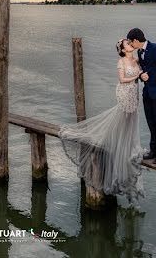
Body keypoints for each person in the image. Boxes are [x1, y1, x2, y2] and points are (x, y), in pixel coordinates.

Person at [58, 38, 145, 204]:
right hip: (124, 91)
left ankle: (128, 145)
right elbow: (122, 80)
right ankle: (115, 143)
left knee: (132, 118)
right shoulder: (121, 62)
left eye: (129, 43)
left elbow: (140, 74)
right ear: (122, 49)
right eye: (127, 44)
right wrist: (137, 75)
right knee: (122, 116)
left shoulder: (136, 60)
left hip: (134, 93)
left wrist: (141, 75)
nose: (129, 45)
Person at [126, 27, 156, 164]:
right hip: (147, 93)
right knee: (151, 122)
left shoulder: (155, 49)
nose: (130, 45)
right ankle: (154, 150)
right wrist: (141, 76)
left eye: (130, 42)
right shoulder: (140, 52)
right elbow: (144, 71)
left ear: (135, 40)